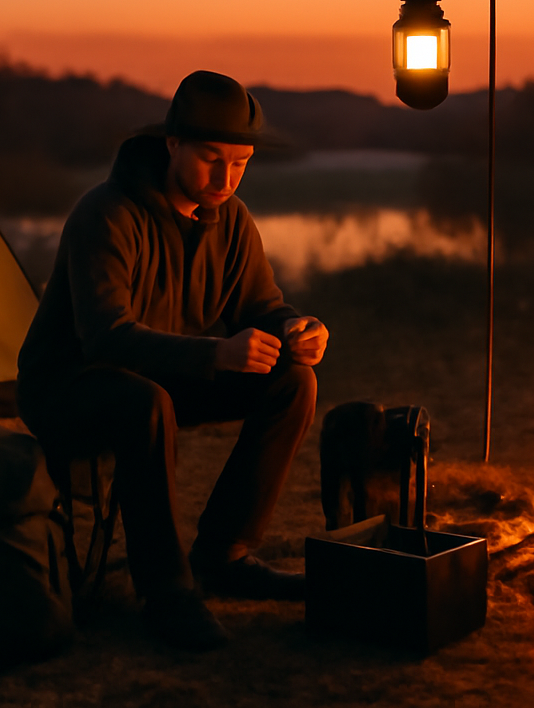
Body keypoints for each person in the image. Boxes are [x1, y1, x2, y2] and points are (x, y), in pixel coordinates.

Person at [16, 70, 327, 652]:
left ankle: (224, 553)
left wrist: (295, 329)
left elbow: (261, 306)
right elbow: (105, 339)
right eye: (212, 158)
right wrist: (215, 353)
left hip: (161, 377)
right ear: (172, 144)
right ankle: (167, 593)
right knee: (144, 402)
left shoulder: (231, 221)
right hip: (69, 385)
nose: (225, 178)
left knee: (293, 380)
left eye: (240, 163)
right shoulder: (106, 214)